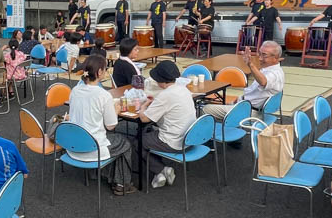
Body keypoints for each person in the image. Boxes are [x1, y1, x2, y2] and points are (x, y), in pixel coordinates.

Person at [67, 55, 136, 194]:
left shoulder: (75, 90)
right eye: (104, 69)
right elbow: (111, 125)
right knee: (124, 143)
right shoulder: (103, 95)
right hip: (93, 147)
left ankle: (100, 173)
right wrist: (115, 110)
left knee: (111, 138)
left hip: (73, 144)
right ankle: (122, 184)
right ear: (99, 72)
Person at [136, 60, 196, 189]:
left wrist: (144, 105)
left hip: (174, 141)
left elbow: (144, 118)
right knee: (150, 133)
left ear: (161, 81)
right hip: (190, 137)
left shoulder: (166, 95)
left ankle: (160, 170)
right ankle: (162, 170)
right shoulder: (183, 90)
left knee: (138, 141)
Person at [205, 41, 285, 120]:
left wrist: (250, 64)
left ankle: (218, 131)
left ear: (276, 57)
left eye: (264, 55)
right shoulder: (272, 69)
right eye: (259, 53)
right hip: (248, 105)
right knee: (215, 103)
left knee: (205, 109)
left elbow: (263, 82)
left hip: (250, 112)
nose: (260, 58)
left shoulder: (274, 74)